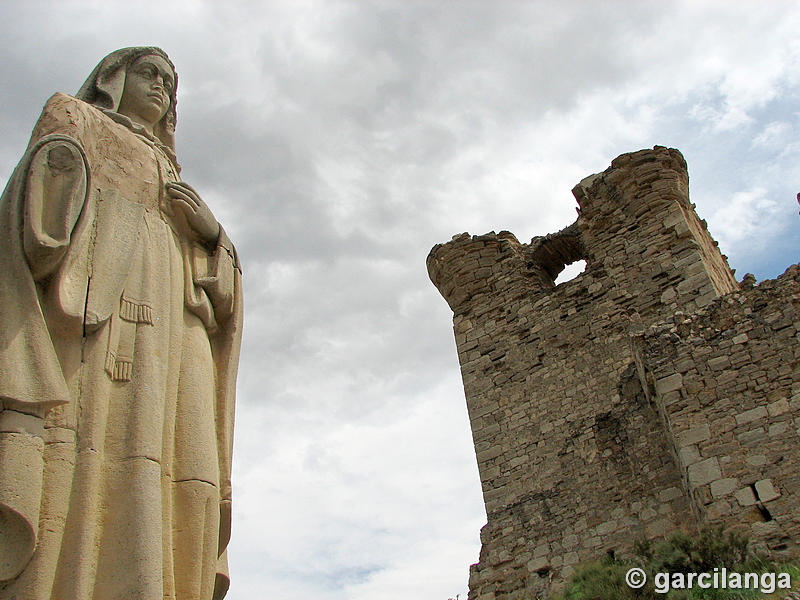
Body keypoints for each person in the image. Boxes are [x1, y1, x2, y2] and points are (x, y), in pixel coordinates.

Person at [0, 47, 242, 600]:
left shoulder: (175, 174)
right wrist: (59, 166)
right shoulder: (78, 117)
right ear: (114, 78)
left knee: (188, 466)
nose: (161, 88)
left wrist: (212, 237)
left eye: (170, 84)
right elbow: (36, 213)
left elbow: (222, 296)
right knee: (90, 447)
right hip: (99, 307)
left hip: (177, 334)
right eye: (149, 73)